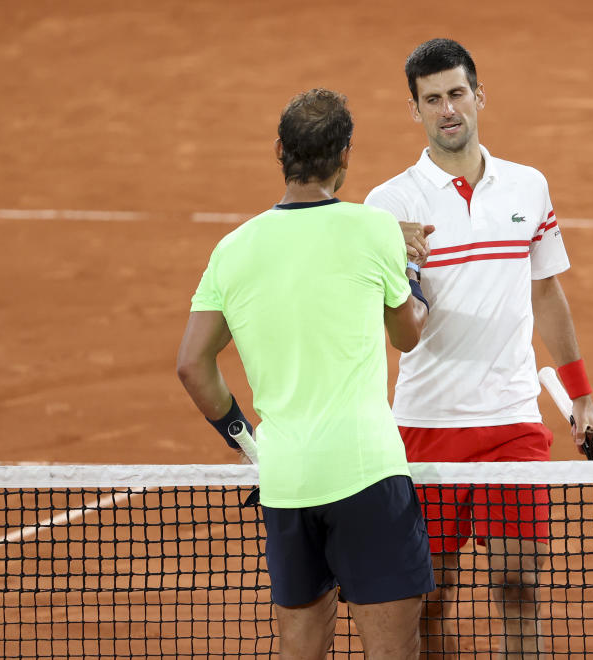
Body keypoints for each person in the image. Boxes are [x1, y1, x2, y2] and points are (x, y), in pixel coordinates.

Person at [364, 39, 593, 658]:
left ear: (479, 95)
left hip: (511, 421)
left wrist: (582, 399)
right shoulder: (388, 207)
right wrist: (396, 259)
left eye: (457, 93)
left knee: (520, 588)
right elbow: (392, 322)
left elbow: (547, 294)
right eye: (432, 99)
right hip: (424, 425)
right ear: (414, 110)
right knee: (432, 597)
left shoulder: (528, 187)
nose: (448, 109)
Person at [177, 88, 434, 660]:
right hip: (367, 473)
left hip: (286, 480)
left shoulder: (232, 249)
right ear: (345, 156)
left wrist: (251, 446)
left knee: (300, 648)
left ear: (279, 151)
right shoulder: (375, 230)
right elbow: (407, 335)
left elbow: (193, 365)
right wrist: (412, 266)